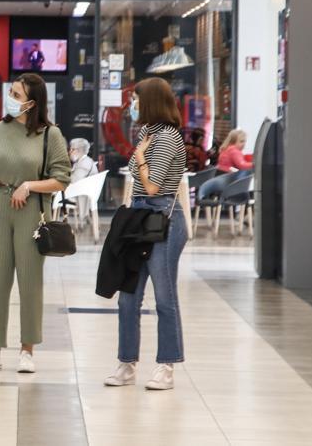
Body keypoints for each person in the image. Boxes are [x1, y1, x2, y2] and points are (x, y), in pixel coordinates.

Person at [0, 74, 69, 374]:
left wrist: (29, 185)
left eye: (16, 94)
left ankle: (27, 349)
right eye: (10, 92)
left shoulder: (50, 135)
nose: (10, 98)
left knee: (30, 282)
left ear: (32, 102)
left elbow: (62, 179)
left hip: (32, 212)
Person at [105, 77, 189, 391]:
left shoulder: (167, 136)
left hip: (163, 217)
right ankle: (127, 363)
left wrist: (139, 159)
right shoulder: (146, 132)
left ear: (151, 101)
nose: (132, 105)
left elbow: (153, 185)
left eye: (137, 99)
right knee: (128, 296)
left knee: (164, 297)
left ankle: (167, 365)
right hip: (140, 216)